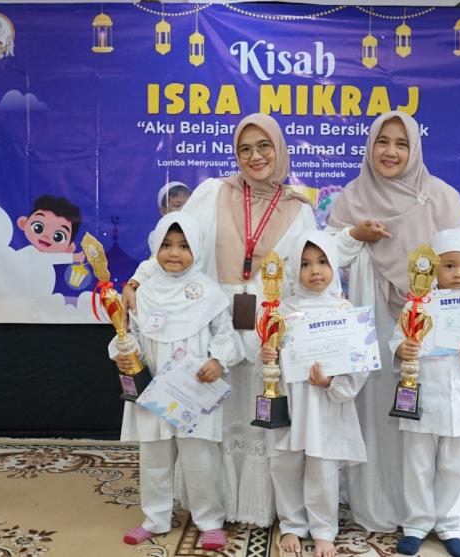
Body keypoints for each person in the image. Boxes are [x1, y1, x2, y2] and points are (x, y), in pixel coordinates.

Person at [122, 113, 316, 527]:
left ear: (279, 149)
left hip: (264, 324)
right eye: (244, 149)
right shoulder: (213, 192)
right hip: (207, 316)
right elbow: (175, 240)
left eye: (264, 146)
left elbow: (302, 275)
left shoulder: (298, 209)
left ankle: (255, 505)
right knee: (208, 415)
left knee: (256, 411)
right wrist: (139, 279)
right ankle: (211, 507)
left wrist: (286, 326)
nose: (255, 156)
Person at [325, 110, 460, 532]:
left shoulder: (440, 195)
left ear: (415, 149)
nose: (390, 152)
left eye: (401, 143)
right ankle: (384, 503)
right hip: (372, 310)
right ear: (370, 146)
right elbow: (328, 257)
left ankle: (440, 514)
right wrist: (356, 235)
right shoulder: (352, 196)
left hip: (432, 321)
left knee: (433, 415)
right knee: (378, 406)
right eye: (382, 142)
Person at [110, 212, 243, 550]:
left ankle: (210, 521)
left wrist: (218, 360)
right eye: (166, 244)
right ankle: (154, 519)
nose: (174, 252)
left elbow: (225, 334)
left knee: (200, 461)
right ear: (155, 247)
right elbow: (132, 334)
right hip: (153, 391)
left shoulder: (208, 292)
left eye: (184, 246)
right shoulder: (143, 293)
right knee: (154, 459)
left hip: (193, 392)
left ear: (197, 249)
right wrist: (125, 354)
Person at [259, 231, 368, 557]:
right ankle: (291, 523)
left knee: (323, 466)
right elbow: (267, 356)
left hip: (323, 402)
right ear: (294, 269)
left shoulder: (345, 309)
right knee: (286, 464)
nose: (315, 270)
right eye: (305, 264)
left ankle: (323, 529)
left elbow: (359, 363)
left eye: (322, 262)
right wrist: (267, 354)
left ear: (334, 264)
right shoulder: (281, 310)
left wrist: (331, 382)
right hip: (291, 401)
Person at [389, 227, 460, 557]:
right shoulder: (416, 305)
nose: (458, 273)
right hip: (419, 399)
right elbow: (396, 339)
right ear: (433, 267)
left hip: (457, 402)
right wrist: (401, 349)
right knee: (417, 465)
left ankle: (449, 525)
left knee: (453, 467)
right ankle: (416, 524)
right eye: (449, 266)